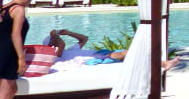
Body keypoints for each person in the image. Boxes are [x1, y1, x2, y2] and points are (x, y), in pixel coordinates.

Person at [45, 28, 180, 70]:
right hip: (98, 59)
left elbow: (84, 39)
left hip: (101, 54)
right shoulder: (56, 55)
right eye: (53, 42)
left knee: (134, 55)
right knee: (128, 53)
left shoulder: (69, 50)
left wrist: (68, 33)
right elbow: (60, 44)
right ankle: (163, 63)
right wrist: (54, 35)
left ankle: (162, 62)